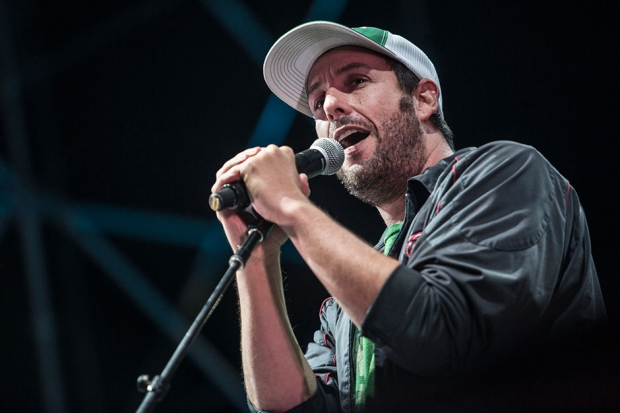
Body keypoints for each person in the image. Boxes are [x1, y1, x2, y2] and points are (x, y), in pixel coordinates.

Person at [211, 21, 607, 413]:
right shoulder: (343, 309)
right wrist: (255, 255)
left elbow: (440, 335)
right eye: (318, 103)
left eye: (356, 81)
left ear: (423, 99)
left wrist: (290, 208)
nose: (330, 106)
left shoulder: (509, 173)